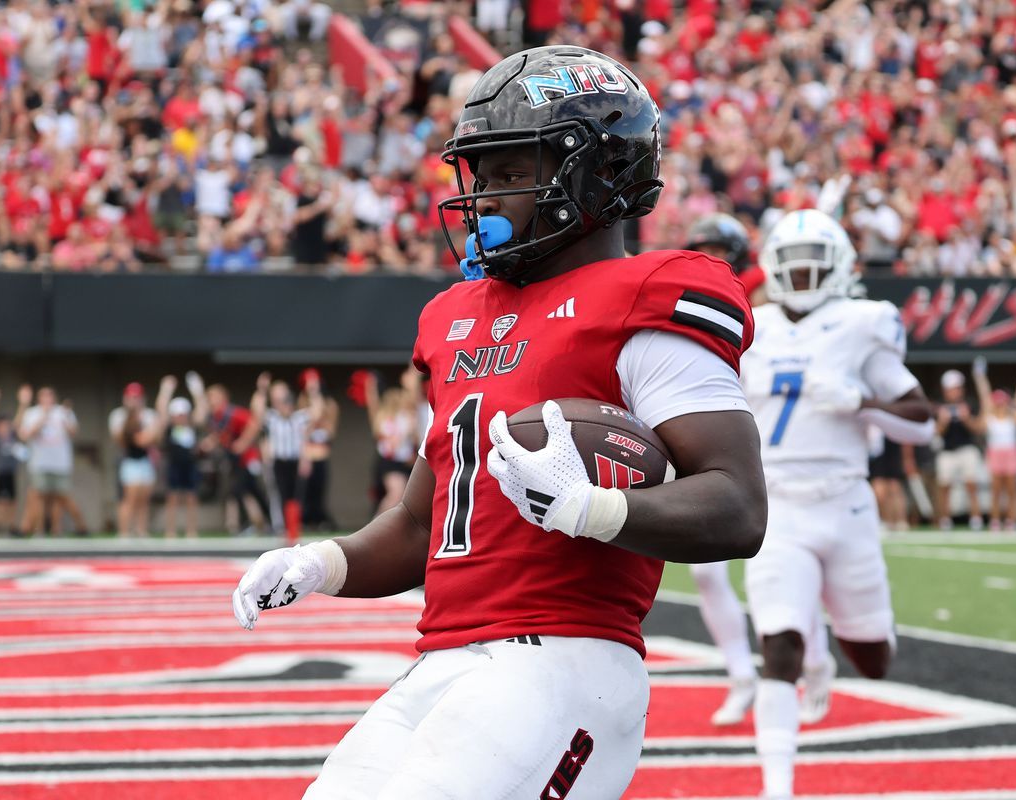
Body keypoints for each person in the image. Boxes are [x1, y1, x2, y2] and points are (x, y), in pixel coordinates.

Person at [232, 46, 766, 799]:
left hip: (564, 660)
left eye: (512, 171)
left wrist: (592, 509)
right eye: (479, 173)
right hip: (441, 661)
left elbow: (737, 504)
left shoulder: (646, 295)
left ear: (597, 173)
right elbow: (423, 524)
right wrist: (323, 563)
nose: (483, 195)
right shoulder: (456, 319)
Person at [741, 208, 934, 799]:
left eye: (812, 267)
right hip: (776, 504)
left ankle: (829, 639)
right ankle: (778, 786)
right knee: (779, 643)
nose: (800, 277)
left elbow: (921, 423)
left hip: (845, 503)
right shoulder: (750, 326)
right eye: (791, 267)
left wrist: (861, 403)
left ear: (840, 269)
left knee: (873, 659)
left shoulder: (861, 324)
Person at [681, 211, 766, 725]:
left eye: (720, 251)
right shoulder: (685, 308)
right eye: (702, 249)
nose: (711, 261)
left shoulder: (767, 303)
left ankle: (812, 665)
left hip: (777, 452)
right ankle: (741, 675)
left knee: (777, 574)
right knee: (707, 573)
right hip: (716, 449)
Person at [15, 385, 88, 537]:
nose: (47, 399)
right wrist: (43, 417)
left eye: (50, 396)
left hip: (61, 463)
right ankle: (39, 530)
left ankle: (57, 529)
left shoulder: (63, 412)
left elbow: (74, 432)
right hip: (39, 462)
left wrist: (67, 417)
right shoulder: (33, 413)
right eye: (44, 396)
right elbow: (24, 435)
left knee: (60, 497)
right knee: (38, 497)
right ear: (39, 399)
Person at [972, 360, 1016, 530]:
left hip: (1011, 453)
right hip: (995, 453)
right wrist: (979, 376)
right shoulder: (989, 416)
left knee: (1012, 489)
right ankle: (995, 520)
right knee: (996, 489)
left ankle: (1011, 520)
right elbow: (983, 395)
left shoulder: (1013, 416)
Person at [205, 383, 269, 535]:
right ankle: (267, 523)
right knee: (251, 490)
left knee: (239, 490)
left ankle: (247, 524)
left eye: (214, 396)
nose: (211, 400)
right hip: (234, 460)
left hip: (247, 458)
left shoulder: (233, 412)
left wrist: (242, 443)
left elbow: (254, 424)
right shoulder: (215, 417)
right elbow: (222, 435)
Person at [251, 372, 312, 529]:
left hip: (294, 460)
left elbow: (317, 412)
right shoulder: (273, 418)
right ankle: (279, 525)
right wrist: (261, 390)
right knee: (278, 494)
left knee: (295, 496)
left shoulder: (299, 418)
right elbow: (257, 409)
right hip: (278, 461)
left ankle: (293, 527)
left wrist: (313, 390)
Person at [109, 381, 166, 538]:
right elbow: (126, 439)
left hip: (145, 460)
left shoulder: (148, 415)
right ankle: (124, 532)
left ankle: (141, 530)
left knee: (144, 500)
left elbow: (156, 438)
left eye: (137, 397)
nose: (134, 401)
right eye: (131, 397)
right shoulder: (118, 415)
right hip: (128, 460)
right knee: (128, 499)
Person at [161, 372, 210, 539]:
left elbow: (202, 411)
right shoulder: (169, 427)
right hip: (174, 465)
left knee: (191, 498)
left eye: (183, 414)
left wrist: (197, 389)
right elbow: (161, 409)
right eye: (177, 415)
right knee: (172, 498)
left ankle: (191, 530)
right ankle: (170, 530)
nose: (180, 418)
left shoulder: (192, 426)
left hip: (190, 465)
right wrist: (166, 390)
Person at [934, 369, 984, 530]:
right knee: (944, 486)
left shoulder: (969, 404)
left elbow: (978, 428)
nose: (953, 392)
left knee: (971, 484)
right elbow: (937, 432)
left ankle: (976, 519)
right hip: (947, 450)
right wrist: (943, 422)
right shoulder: (939, 406)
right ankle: (945, 520)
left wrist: (967, 418)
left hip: (967, 448)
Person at [365, 370, 420, 514]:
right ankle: (375, 527)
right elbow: (373, 405)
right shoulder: (383, 418)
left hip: (405, 461)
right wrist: (371, 389)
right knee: (396, 493)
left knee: (404, 498)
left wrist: (413, 375)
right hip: (389, 461)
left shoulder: (407, 416)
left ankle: (388, 530)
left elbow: (413, 396)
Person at [686, 213, 768, 306]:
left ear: (736, 253)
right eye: (699, 252)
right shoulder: (689, 284)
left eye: (715, 251)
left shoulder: (753, 283)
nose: (706, 257)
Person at [298, 369, 336, 531]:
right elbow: (302, 429)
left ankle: (320, 520)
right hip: (307, 454)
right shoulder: (301, 402)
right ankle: (305, 520)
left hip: (321, 453)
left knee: (319, 490)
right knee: (306, 492)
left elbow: (330, 430)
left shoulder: (330, 404)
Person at [0, 387, 25, 535]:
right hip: (1, 472)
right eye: (2, 424)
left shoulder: (12, 436)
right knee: (2, 501)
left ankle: (12, 527)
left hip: (11, 472)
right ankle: (0, 525)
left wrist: (23, 403)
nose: (5, 427)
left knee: (13, 501)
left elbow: (18, 421)